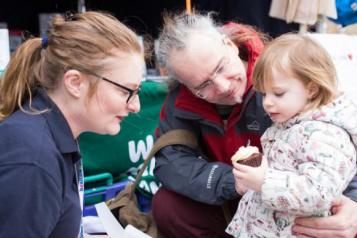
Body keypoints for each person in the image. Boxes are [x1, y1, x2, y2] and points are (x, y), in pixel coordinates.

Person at [152, 12, 357, 238]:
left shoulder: (282, 75)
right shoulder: (181, 100)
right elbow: (170, 161)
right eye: (203, 85)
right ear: (185, 84)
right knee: (168, 206)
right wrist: (232, 181)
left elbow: (337, 141)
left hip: (296, 202)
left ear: (229, 45)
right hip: (233, 199)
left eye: (220, 68)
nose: (222, 87)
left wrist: (355, 204)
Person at [0, 11, 142, 238]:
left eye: (138, 91)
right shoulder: (32, 161)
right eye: (126, 91)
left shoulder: (47, 134)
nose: (136, 106)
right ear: (75, 83)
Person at [227, 33, 357, 237]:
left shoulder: (324, 134)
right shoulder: (290, 123)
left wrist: (264, 180)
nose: (267, 102)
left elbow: (319, 192)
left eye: (278, 93)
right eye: (264, 93)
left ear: (311, 89)